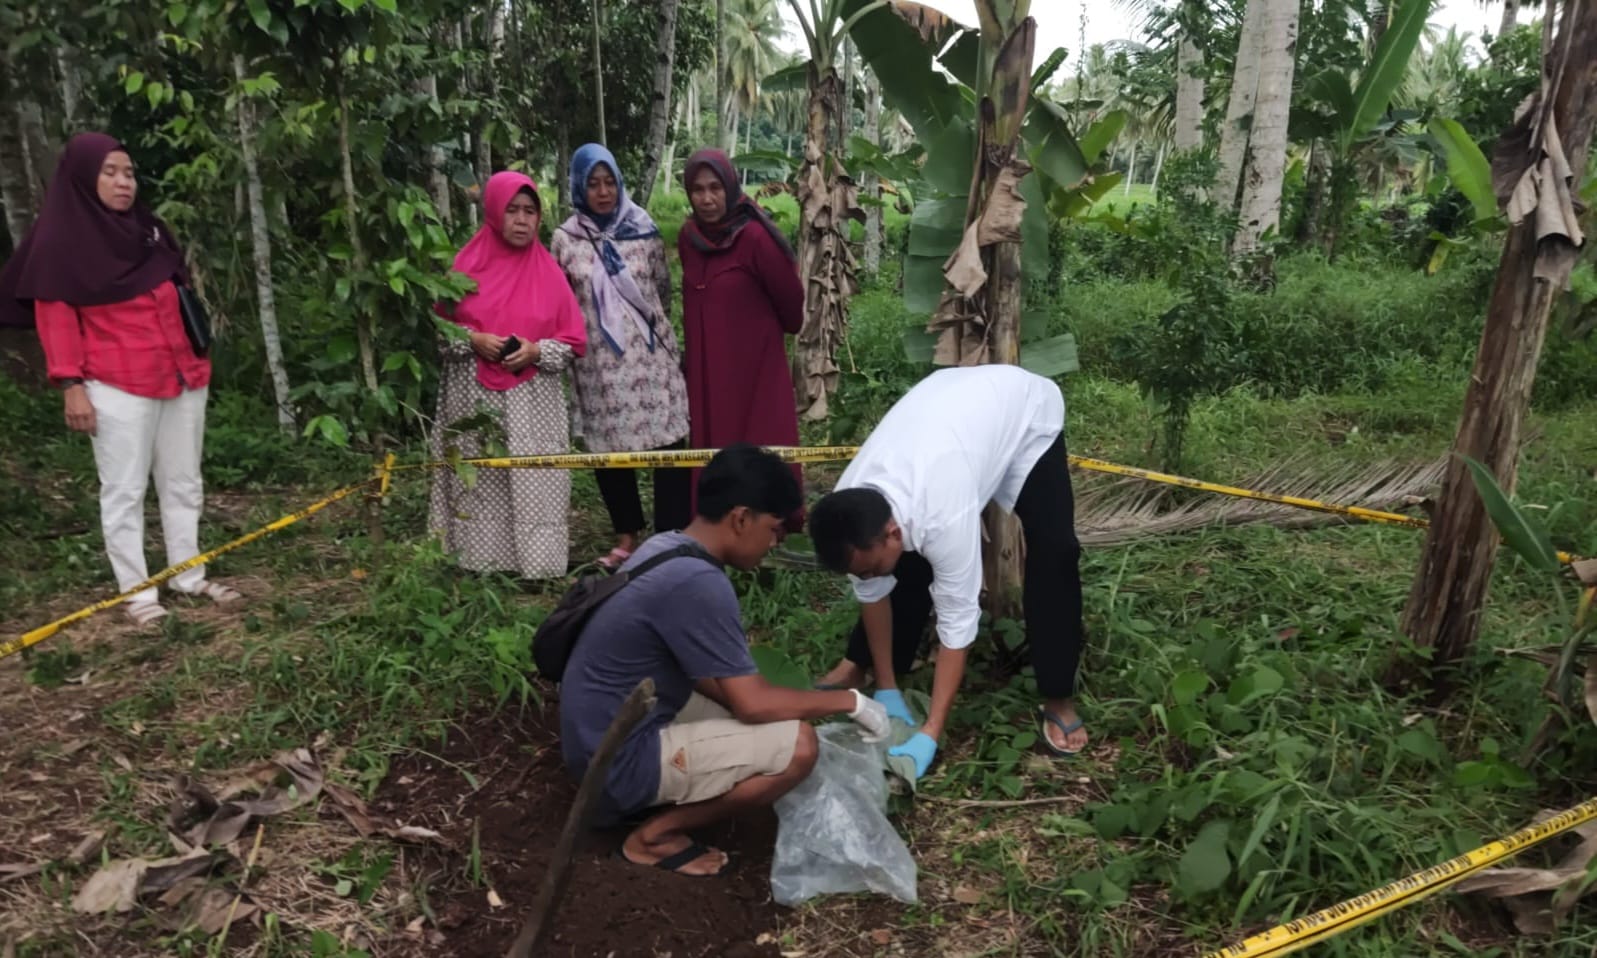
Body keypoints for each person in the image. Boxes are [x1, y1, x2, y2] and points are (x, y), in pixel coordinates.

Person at [559, 444, 890, 877]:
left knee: (759, 714)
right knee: (799, 748)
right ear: (740, 518)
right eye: (773, 529)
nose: (773, 543)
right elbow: (753, 703)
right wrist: (850, 702)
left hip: (596, 735)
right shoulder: (698, 582)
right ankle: (653, 836)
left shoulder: (667, 546)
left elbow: (718, 683)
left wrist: (765, 704)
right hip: (616, 764)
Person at [0, 132, 241, 626]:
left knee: (182, 481)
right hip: (117, 383)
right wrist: (71, 385)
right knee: (125, 490)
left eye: (128, 172)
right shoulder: (61, 244)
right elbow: (57, 318)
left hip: (180, 375)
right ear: (84, 179)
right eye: (109, 172)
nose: (122, 182)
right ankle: (138, 594)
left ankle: (188, 575)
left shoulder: (147, 231)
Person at [807, 366, 1088, 782]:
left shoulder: (943, 512)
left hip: (1024, 416)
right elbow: (872, 592)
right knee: (898, 567)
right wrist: (887, 687)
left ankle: (1058, 696)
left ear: (891, 531)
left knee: (1054, 549)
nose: (863, 577)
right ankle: (870, 665)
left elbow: (957, 620)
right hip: (949, 415)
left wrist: (930, 732)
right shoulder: (848, 512)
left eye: (865, 569)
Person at [428, 171, 587, 579]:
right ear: (495, 213)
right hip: (472, 398)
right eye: (512, 210)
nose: (521, 220)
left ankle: (536, 566)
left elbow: (572, 342)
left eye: (530, 211)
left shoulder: (550, 274)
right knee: (478, 478)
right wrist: (474, 339)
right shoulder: (464, 267)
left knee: (533, 481)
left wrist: (536, 350)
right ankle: (475, 562)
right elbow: (441, 332)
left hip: (533, 404)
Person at [551, 143, 691, 571]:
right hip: (597, 367)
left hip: (651, 359)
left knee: (669, 443)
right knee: (609, 451)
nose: (603, 191)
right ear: (578, 187)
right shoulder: (565, 239)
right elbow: (561, 299)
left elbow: (662, 291)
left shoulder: (644, 229)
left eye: (610, 181)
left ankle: (670, 535)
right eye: (593, 184)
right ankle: (627, 536)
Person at [677, 149, 805, 531]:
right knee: (715, 436)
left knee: (760, 434)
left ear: (730, 187)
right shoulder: (689, 238)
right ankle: (721, 519)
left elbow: (791, 302)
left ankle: (773, 521)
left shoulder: (754, 237)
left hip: (754, 362)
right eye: (697, 189)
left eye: (715, 187)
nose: (707, 198)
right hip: (707, 362)